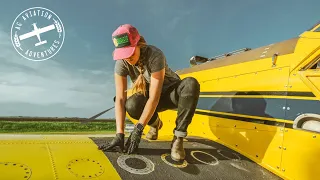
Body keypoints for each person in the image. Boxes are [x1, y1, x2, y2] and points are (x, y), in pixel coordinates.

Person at [98, 24, 200, 161]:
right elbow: (121, 99)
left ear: (138, 44)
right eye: (123, 54)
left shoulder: (155, 55)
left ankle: (178, 139)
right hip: (150, 99)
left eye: (130, 52)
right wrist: (119, 134)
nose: (127, 58)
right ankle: (155, 124)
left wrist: (138, 129)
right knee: (131, 104)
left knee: (191, 84)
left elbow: (155, 96)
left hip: (170, 95)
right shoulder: (121, 64)